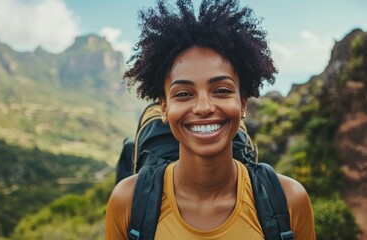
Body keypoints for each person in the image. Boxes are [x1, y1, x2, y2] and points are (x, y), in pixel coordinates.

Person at [105, 0, 316, 239]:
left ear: (243, 102)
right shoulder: (127, 203)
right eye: (183, 94)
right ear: (164, 108)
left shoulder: (289, 201)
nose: (204, 107)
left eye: (222, 90)